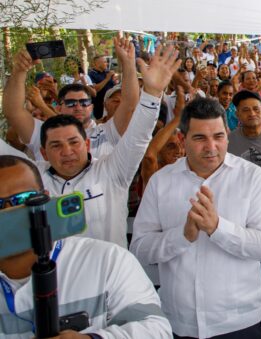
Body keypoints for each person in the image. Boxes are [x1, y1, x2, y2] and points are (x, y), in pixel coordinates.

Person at [131, 97, 261, 339]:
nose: (211, 147)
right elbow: (140, 249)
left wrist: (218, 228)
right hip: (178, 322)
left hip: (239, 323)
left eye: (218, 136)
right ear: (182, 139)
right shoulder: (161, 181)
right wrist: (182, 236)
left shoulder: (253, 177)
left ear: (227, 135)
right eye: (200, 138)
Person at [0, 155, 173, 338]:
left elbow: (157, 330)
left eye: (23, 199)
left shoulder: (108, 260)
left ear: (46, 198)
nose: (9, 211)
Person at [30, 45, 179, 248]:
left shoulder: (112, 171)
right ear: (43, 153)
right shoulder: (32, 178)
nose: (67, 151)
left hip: (110, 268)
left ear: (87, 143)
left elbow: (138, 136)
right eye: (56, 145)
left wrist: (152, 93)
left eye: (74, 142)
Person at [4, 37, 139, 161]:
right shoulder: (42, 133)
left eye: (84, 102)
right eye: (71, 103)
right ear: (59, 107)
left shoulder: (107, 133)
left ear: (91, 107)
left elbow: (129, 105)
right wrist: (19, 70)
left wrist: (128, 63)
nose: (78, 107)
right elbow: (13, 112)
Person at [228, 90, 261, 167]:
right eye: (246, 110)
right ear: (237, 114)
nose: (252, 114)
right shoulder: (229, 141)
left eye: (256, 109)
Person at [88, 54, 117, 119]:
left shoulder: (107, 72)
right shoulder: (91, 74)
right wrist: (107, 78)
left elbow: (112, 86)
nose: (107, 64)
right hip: (99, 107)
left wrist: (115, 82)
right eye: (104, 62)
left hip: (111, 105)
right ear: (97, 64)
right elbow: (95, 89)